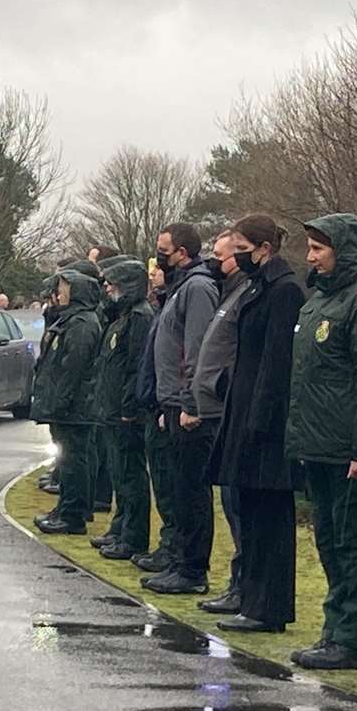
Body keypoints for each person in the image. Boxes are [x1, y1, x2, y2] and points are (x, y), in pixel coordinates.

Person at [287, 215, 357, 670]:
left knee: (351, 545)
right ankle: (333, 632)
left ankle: (350, 642)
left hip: (346, 449)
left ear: (343, 251)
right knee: (329, 542)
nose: (310, 257)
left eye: (318, 249)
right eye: (309, 248)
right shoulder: (318, 302)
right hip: (317, 442)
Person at [205, 214, 305, 635]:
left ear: (263, 249)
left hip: (266, 425)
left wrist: (260, 420)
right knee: (251, 515)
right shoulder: (259, 288)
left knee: (270, 520)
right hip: (245, 413)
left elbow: (277, 363)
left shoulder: (283, 293)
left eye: (243, 246)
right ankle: (252, 596)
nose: (238, 255)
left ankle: (268, 606)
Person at [139, 223, 220, 596]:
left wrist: (189, 401)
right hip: (171, 403)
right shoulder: (178, 289)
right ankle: (179, 560)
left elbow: (197, 348)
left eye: (163, 252)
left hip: (188, 407)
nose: (159, 259)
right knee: (176, 488)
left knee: (191, 490)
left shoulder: (198, 288)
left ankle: (192, 569)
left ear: (182, 253)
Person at [188, 231, 251, 611]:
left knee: (239, 508)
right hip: (215, 408)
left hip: (223, 410)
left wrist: (218, 386)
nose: (218, 262)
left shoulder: (243, 296)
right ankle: (236, 584)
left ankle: (242, 586)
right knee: (230, 505)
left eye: (223, 255)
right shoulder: (228, 293)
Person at [90, 260, 155, 561]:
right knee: (120, 475)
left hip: (125, 411)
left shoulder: (140, 318)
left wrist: (129, 406)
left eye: (112, 284)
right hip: (112, 407)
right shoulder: (123, 316)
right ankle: (120, 528)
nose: (107, 289)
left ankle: (133, 536)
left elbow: (135, 366)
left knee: (131, 476)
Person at [30, 268, 103, 535]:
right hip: (68, 404)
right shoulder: (70, 320)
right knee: (68, 458)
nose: (59, 294)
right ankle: (67, 507)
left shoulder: (82, 324)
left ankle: (73, 515)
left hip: (75, 406)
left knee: (74, 459)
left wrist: (62, 400)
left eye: (64, 289)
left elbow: (75, 367)